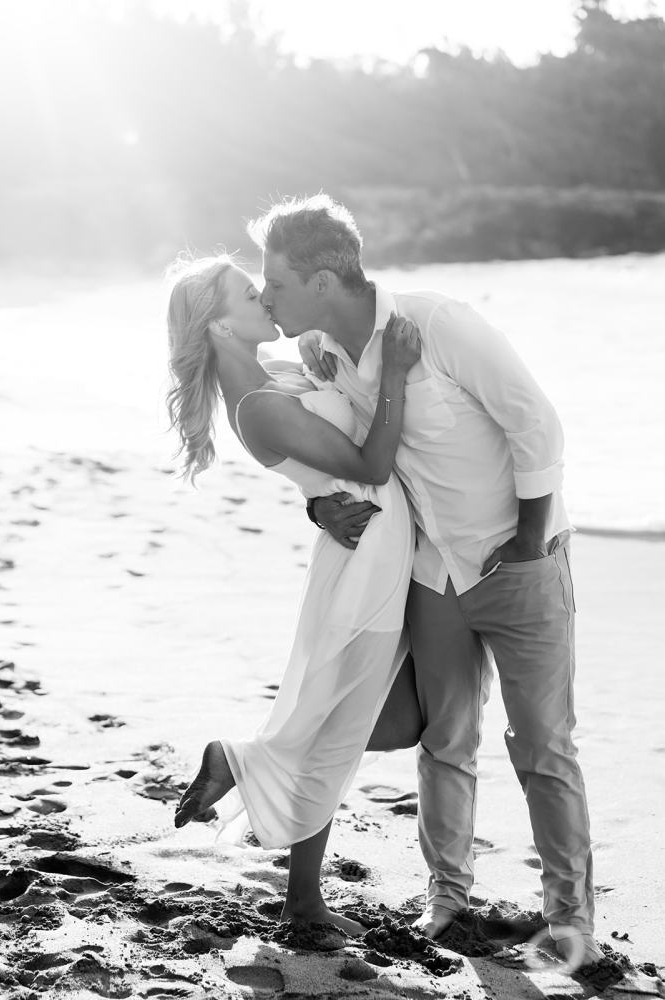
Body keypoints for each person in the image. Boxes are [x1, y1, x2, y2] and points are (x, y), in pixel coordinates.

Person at [249, 194, 602, 966]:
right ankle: (448, 896)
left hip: (520, 557)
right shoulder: (326, 353)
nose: (265, 296)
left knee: (542, 743)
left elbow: (536, 422)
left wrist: (534, 540)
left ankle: (570, 914)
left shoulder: (438, 324)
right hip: (433, 571)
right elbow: (312, 440)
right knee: (446, 740)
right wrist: (316, 503)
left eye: (275, 281)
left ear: (324, 277)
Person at [166, 253, 423, 935]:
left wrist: (324, 360)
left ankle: (247, 769)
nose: (267, 299)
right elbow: (371, 463)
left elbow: (327, 460)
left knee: (378, 725)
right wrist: (393, 370)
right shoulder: (258, 407)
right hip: (365, 558)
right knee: (344, 729)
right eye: (251, 295)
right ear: (221, 327)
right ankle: (301, 896)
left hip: (371, 546)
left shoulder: (273, 376)